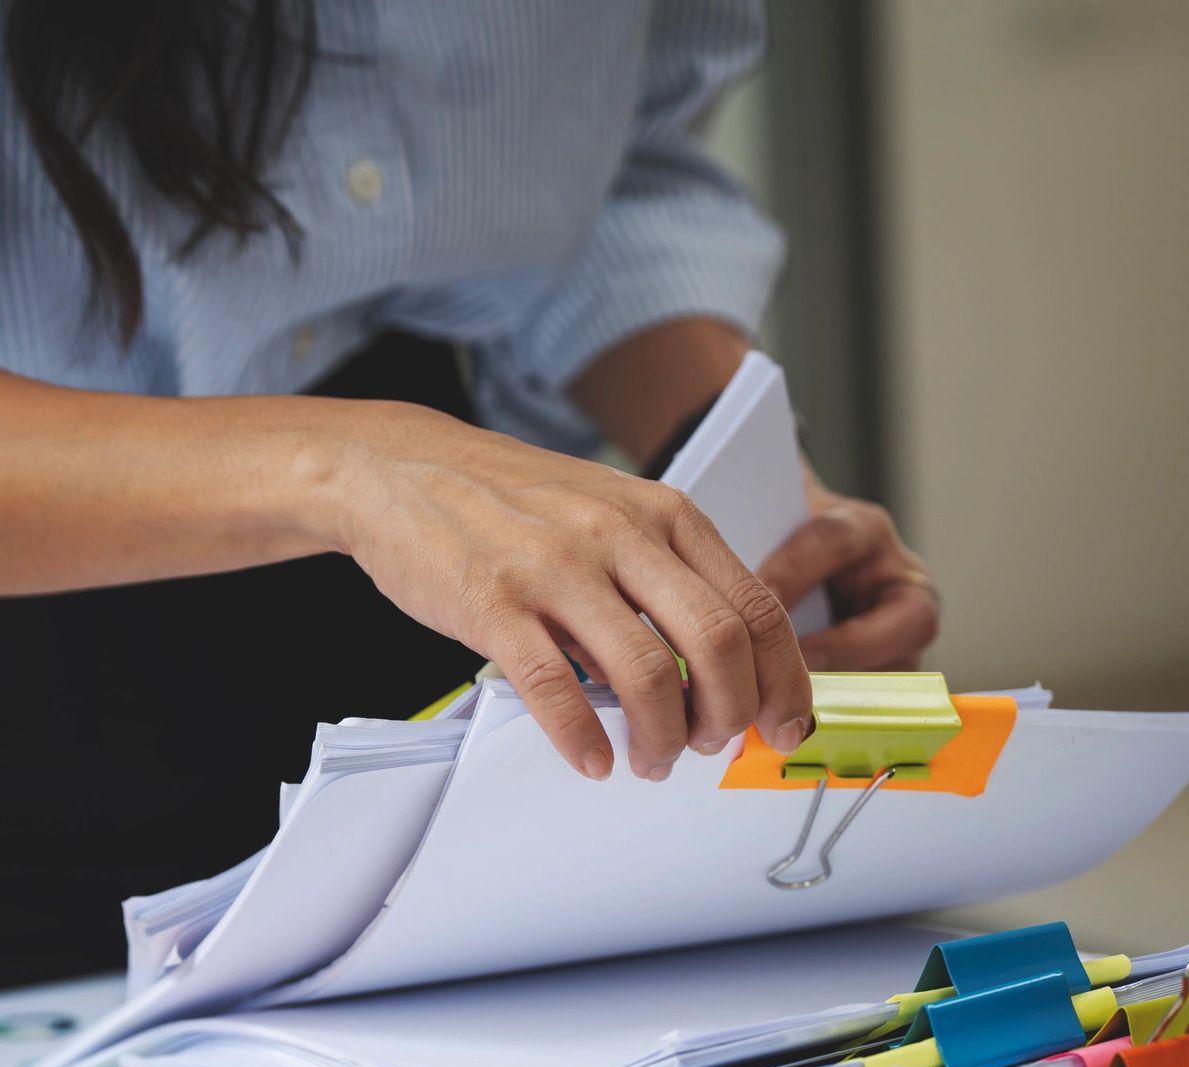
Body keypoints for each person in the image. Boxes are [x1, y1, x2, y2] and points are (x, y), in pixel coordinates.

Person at [0, 0, 938, 982]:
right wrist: (354, 471)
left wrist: (747, 499)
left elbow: (615, 180)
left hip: (453, 586)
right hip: (55, 575)